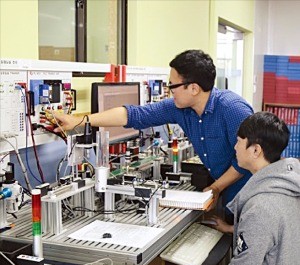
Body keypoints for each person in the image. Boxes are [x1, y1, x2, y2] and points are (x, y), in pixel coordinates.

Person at [52, 49, 253, 216]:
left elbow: (249, 160)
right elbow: (133, 115)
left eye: (172, 86)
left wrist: (216, 187)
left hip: (251, 196)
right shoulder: (181, 108)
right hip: (228, 196)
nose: (168, 90)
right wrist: (78, 121)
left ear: (193, 88)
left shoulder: (232, 109)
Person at [182, 112, 300, 265]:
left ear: (255, 151)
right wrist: (232, 229)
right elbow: (278, 232)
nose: (235, 147)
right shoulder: (288, 184)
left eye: (238, 141)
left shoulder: (262, 206)